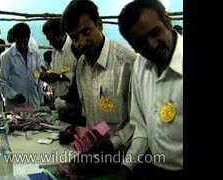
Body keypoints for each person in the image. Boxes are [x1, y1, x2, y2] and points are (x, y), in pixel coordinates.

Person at [116, 0, 183, 178]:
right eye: (141, 43)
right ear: (133, 47)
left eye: (155, 33)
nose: (153, 45)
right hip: (154, 168)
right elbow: (141, 128)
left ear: (167, 22)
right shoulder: (140, 66)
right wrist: (127, 166)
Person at [61, 0, 137, 157]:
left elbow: (140, 122)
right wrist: (76, 129)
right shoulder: (82, 64)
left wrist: (114, 142)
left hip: (126, 160)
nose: (81, 42)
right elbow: (92, 119)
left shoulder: (127, 62)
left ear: (99, 24)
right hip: (95, 158)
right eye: (75, 38)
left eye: (86, 32)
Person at [0, 23, 44, 112]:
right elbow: (2, 82)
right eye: (19, 43)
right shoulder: (7, 56)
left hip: (33, 104)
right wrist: (14, 95)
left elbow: (38, 76)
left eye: (25, 42)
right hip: (15, 107)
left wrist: (41, 99)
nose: (22, 45)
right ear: (14, 39)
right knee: (17, 124)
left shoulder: (35, 54)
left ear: (28, 38)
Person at [41, 18, 78, 98]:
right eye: (48, 40)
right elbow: (54, 71)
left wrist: (60, 76)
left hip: (74, 101)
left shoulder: (75, 48)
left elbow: (80, 75)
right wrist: (47, 75)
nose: (50, 43)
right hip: (58, 100)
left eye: (52, 39)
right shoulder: (55, 51)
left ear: (61, 34)